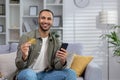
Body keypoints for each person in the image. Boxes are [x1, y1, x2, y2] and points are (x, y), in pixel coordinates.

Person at [15, 9, 76, 80]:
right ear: (38, 19)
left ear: (52, 22)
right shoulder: (27, 37)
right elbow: (19, 66)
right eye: (43, 18)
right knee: (30, 74)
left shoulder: (56, 42)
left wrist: (63, 61)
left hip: (46, 75)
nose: (46, 21)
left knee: (71, 73)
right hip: (27, 72)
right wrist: (24, 57)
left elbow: (57, 67)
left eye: (49, 19)